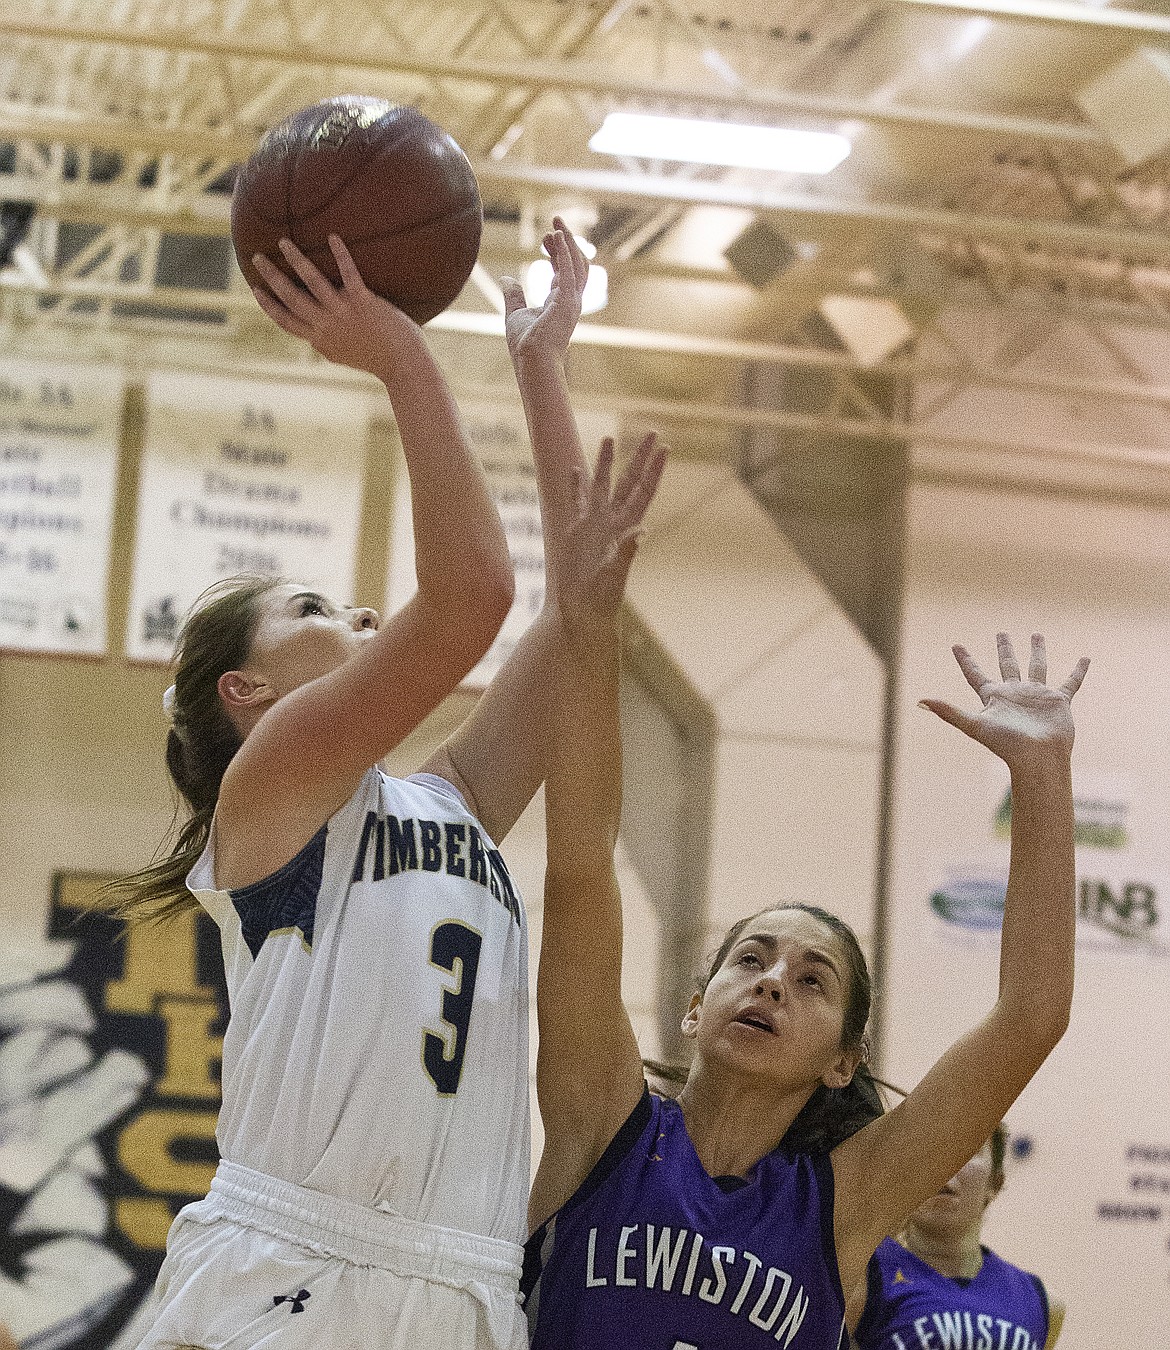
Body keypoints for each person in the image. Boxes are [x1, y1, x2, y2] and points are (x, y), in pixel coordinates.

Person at [98, 221, 615, 1349]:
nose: (364, 617)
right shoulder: (272, 787)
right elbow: (473, 593)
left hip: (462, 1284)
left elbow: (585, 599)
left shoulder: (452, 801)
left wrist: (540, 366)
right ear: (245, 690)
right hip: (296, 1264)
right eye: (316, 612)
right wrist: (401, 353)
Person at [522, 631, 1088, 1349]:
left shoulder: (841, 1204)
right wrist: (585, 617)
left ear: (843, 1062)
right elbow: (578, 860)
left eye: (811, 979)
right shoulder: (603, 1121)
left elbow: (1032, 1016)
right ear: (696, 1009)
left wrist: (1040, 772)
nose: (772, 983)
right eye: (751, 959)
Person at [847, 1126, 1064, 1350]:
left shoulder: (1044, 1303)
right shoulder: (857, 1275)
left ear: (995, 1184)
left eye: (966, 1150)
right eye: (927, 1151)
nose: (944, 1165)